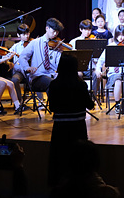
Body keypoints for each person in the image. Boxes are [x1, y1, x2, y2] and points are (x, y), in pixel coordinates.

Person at [48, 52, 95, 187]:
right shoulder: (80, 84)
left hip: (60, 127)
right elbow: (89, 105)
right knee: (79, 156)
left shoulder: (54, 85)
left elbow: (52, 107)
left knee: (59, 156)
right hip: (78, 126)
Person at [18, 18, 65, 99]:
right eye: (54, 31)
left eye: (57, 32)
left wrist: (59, 71)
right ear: (47, 28)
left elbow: (58, 63)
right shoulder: (35, 42)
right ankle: (58, 106)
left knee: (66, 83)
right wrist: (27, 68)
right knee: (53, 84)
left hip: (53, 75)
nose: (55, 34)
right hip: (38, 77)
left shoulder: (57, 45)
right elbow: (22, 57)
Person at [95, 25, 124, 113]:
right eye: (118, 35)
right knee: (118, 81)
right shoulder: (110, 46)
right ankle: (117, 104)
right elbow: (101, 60)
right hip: (114, 72)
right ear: (115, 35)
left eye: (122, 35)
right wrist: (98, 69)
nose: (121, 37)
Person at [10, 23, 33, 103]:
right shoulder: (15, 46)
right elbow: (5, 56)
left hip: (31, 72)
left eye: (28, 33)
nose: (27, 36)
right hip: (19, 72)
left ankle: (40, 101)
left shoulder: (33, 44)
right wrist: (8, 61)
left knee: (38, 78)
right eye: (24, 34)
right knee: (14, 80)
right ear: (18, 35)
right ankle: (19, 102)